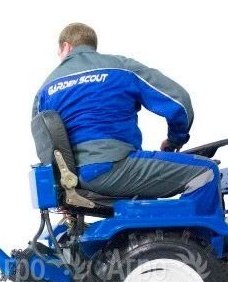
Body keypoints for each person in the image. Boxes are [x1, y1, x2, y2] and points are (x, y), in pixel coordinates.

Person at [32, 23, 221, 216]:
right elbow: (180, 102)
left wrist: (63, 189)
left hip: (76, 180)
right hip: (115, 166)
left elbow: (44, 146)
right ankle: (199, 234)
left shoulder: (45, 89)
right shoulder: (121, 68)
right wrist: (175, 140)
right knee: (206, 172)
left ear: (66, 47)